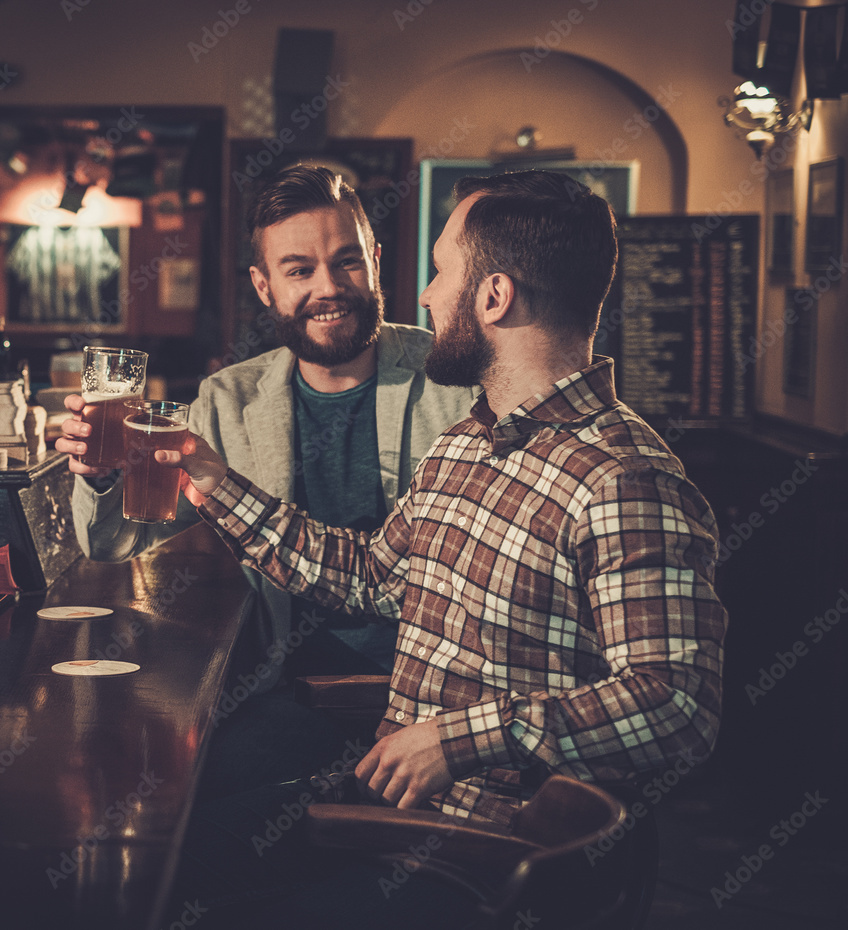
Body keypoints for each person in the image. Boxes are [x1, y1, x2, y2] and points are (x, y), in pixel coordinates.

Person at [161, 169, 727, 834]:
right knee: (167, 830)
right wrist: (213, 481)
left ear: (493, 296)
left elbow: (676, 706)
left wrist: (460, 741)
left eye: (440, 271)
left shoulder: (623, 478)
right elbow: (372, 576)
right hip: (394, 809)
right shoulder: (465, 445)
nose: (426, 296)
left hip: (471, 851)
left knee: (185, 876)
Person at [58, 164, 471, 718]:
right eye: (299, 270)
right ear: (263, 286)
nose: (328, 287)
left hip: (433, 698)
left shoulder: (453, 380)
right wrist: (103, 475)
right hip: (285, 687)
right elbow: (111, 545)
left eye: (347, 261)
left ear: (374, 263)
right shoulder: (228, 400)